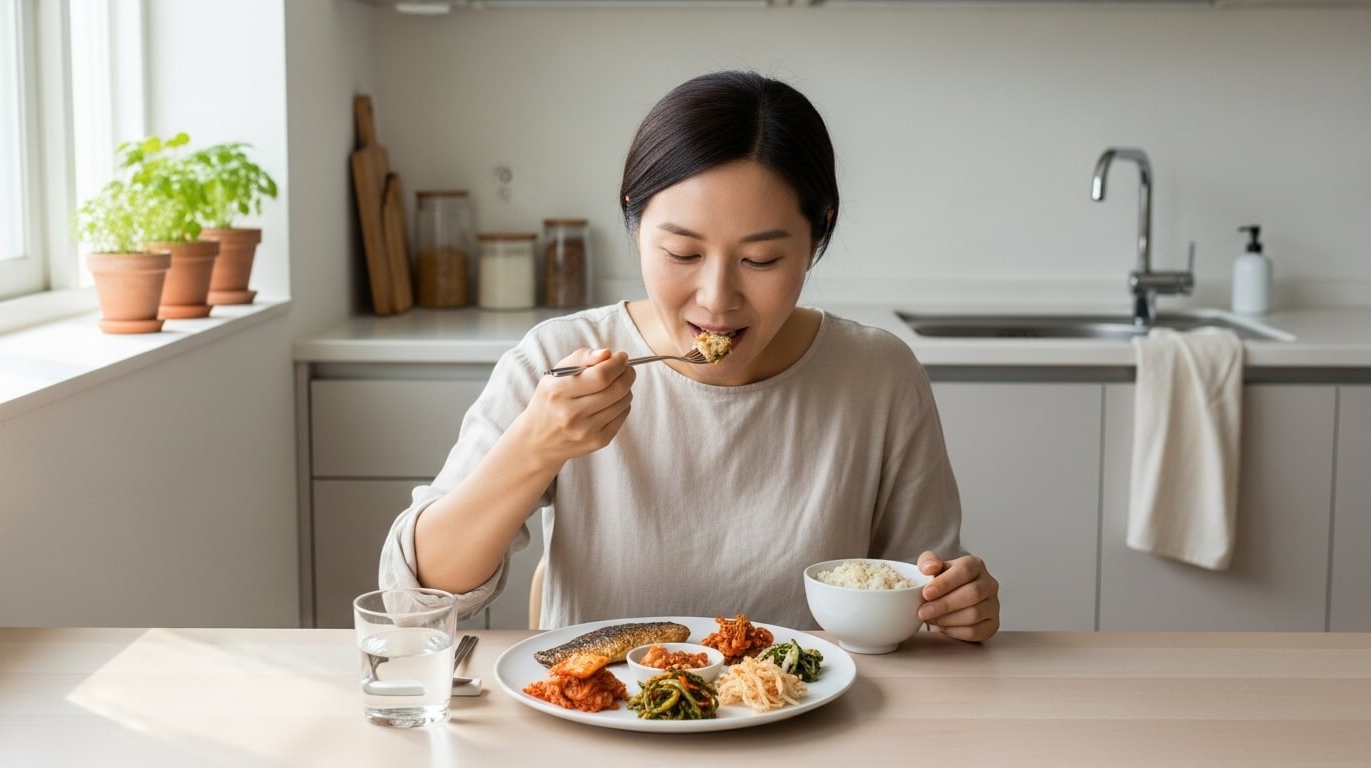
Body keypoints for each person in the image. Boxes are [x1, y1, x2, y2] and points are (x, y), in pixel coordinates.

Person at [380, 70, 1000, 642]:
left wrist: (954, 605)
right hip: (595, 713)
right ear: (634, 221)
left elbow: (922, 599)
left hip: (810, 716)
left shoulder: (878, 376)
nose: (717, 297)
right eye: (682, 254)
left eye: (760, 260)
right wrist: (534, 447)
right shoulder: (556, 359)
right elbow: (415, 597)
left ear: (817, 236)